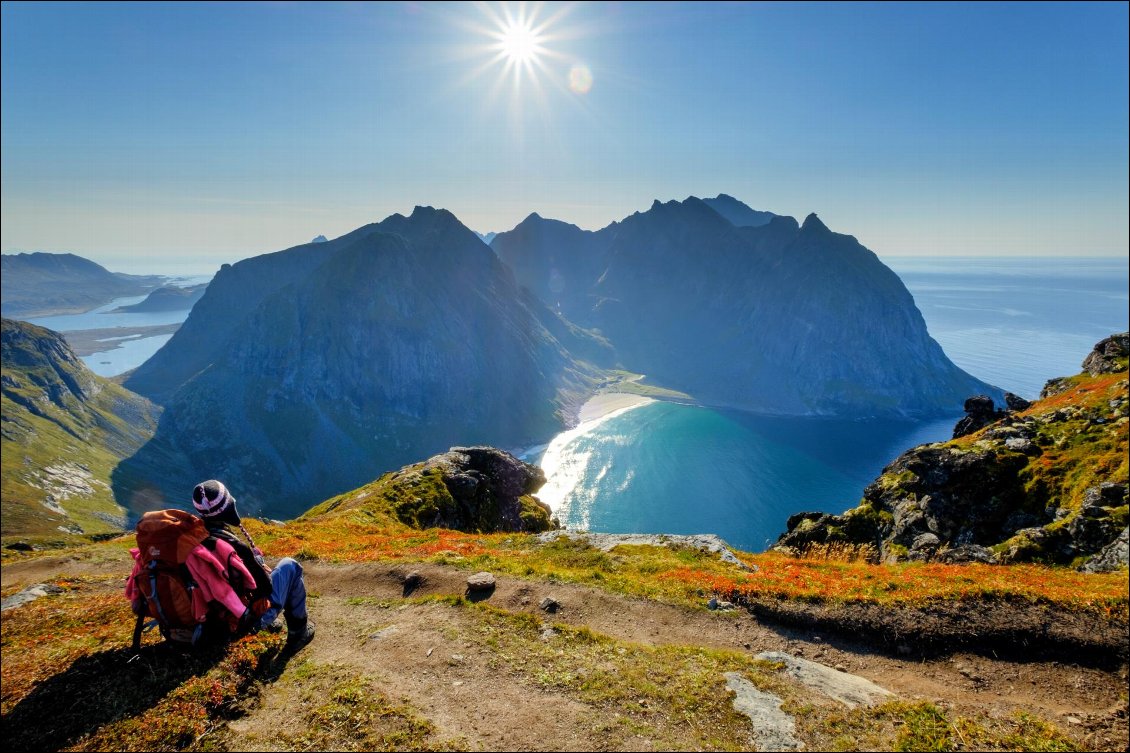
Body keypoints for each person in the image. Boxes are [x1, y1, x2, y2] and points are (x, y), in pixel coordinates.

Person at [191, 479, 316, 653]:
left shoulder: (188, 543)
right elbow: (265, 586)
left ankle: (269, 623)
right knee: (290, 566)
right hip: (241, 624)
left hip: (204, 626)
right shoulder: (231, 547)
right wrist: (257, 562)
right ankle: (298, 632)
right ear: (227, 506)